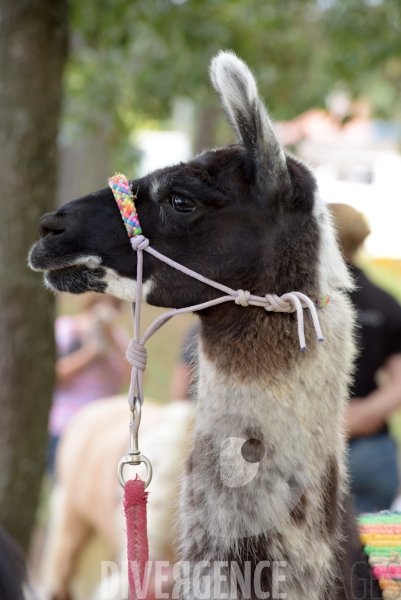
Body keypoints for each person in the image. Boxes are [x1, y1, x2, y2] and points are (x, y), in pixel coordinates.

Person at [330, 203, 401, 513]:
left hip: (307, 449)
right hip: (372, 446)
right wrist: (364, 414)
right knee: (375, 554)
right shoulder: (385, 302)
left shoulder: (296, 302)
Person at [48, 293, 131, 473]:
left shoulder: (118, 336)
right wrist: (88, 355)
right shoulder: (67, 329)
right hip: (66, 425)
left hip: (105, 428)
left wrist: (112, 342)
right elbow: (52, 377)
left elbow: (133, 380)